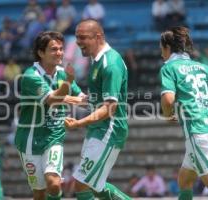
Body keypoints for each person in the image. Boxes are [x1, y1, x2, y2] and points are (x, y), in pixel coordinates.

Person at [159, 26, 208, 200]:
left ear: (167, 47)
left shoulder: (169, 68)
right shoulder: (202, 67)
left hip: (197, 131)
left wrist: (167, 114)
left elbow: (168, 100)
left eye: (161, 48)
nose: (161, 52)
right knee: (185, 180)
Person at [65, 19, 131, 200]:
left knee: (82, 183)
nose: (78, 42)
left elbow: (109, 107)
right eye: (77, 37)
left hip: (109, 129)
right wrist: (70, 96)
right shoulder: (97, 60)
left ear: (98, 37)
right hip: (98, 129)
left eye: (83, 37)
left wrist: (79, 123)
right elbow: (95, 99)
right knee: (94, 185)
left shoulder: (110, 64)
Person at [15, 31, 85, 200]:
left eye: (61, 49)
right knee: (39, 193)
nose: (59, 53)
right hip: (29, 140)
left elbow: (81, 98)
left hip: (54, 136)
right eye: (54, 49)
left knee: (53, 184)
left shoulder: (62, 73)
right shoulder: (31, 76)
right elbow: (53, 99)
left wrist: (100, 98)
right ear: (40, 52)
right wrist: (68, 83)